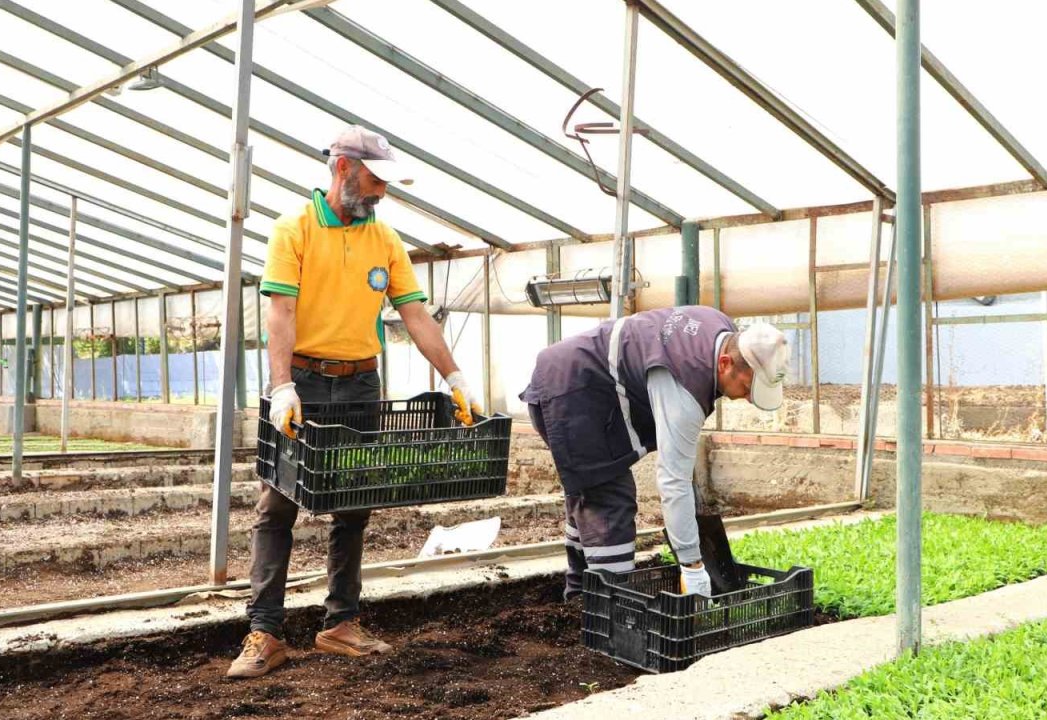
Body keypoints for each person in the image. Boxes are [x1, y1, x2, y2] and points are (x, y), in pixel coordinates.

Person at [227, 125, 482, 679]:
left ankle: (341, 622)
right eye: (373, 180)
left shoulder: (383, 238)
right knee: (277, 505)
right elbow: (281, 313)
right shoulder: (292, 229)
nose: (380, 193)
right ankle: (265, 631)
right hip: (305, 382)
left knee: (354, 502)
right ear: (342, 168)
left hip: (361, 381)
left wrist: (456, 374)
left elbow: (415, 314)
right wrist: (282, 386)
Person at [520, 306, 788, 600]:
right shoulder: (683, 389)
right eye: (748, 388)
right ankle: (613, 607)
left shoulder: (719, 324)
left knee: (589, 495)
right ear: (725, 363)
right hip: (569, 394)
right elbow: (673, 482)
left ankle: (580, 598)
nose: (749, 399)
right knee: (610, 501)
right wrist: (692, 566)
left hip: (575, 379)